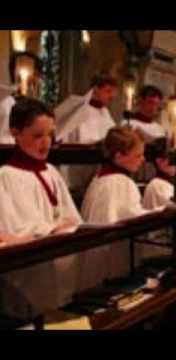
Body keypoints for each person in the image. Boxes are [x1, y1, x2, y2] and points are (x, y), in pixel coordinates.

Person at [0, 98, 82, 320]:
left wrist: (68, 226)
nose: (46, 143)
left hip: (57, 263)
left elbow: (72, 217)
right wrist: (52, 228)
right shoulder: (6, 176)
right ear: (15, 132)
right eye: (38, 135)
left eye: (50, 135)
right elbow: (13, 228)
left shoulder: (52, 171)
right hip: (29, 272)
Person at [80, 126, 157, 289]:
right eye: (138, 155)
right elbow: (134, 220)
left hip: (94, 259)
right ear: (119, 156)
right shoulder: (122, 183)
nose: (143, 159)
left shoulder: (98, 178)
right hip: (113, 263)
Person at [57, 73, 118, 195]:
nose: (112, 96)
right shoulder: (79, 109)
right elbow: (75, 137)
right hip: (78, 165)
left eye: (113, 92)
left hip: (98, 165)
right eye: (108, 91)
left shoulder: (105, 112)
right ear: (96, 89)